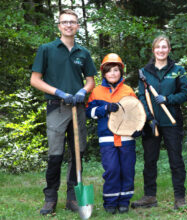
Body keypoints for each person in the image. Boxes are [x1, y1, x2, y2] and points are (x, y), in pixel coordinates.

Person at [30, 9, 96, 215]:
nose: (69, 25)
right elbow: (35, 80)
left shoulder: (83, 53)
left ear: (77, 26)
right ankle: (50, 198)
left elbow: (91, 81)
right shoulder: (47, 49)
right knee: (56, 155)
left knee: (78, 154)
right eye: (65, 22)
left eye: (73, 22)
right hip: (56, 108)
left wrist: (81, 92)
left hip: (78, 108)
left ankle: (73, 198)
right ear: (59, 26)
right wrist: (58, 92)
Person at [131, 35, 187, 210]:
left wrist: (168, 99)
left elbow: (185, 93)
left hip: (172, 121)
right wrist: (148, 117)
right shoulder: (144, 72)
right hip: (151, 123)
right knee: (150, 160)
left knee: (176, 160)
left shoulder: (178, 70)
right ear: (153, 50)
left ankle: (179, 196)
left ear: (169, 50)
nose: (161, 50)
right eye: (158, 47)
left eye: (164, 47)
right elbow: (142, 95)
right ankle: (150, 196)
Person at [86, 53, 141, 214]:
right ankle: (110, 201)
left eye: (116, 70)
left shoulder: (128, 90)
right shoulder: (96, 92)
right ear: (104, 73)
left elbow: (136, 113)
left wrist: (138, 129)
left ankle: (124, 201)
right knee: (111, 170)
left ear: (121, 72)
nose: (112, 74)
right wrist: (104, 109)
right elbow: (89, 112)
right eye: (109, 71)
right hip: (107, 138)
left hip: (126, 138)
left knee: (127, 170)